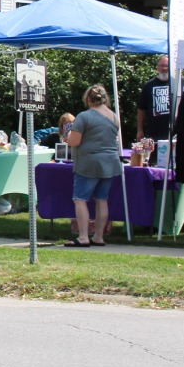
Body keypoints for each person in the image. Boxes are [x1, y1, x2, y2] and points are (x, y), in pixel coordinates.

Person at [65, 85, 124, 247]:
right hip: (110, 163)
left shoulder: (84, 116)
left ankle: (83, 237)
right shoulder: (114, 117)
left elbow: (75, 141)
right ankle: (99, 236)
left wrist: (67, 137)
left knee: (79, 199)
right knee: (102, 199)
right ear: (105, 99)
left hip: (88, 163)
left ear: (88, 99)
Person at [136, 55, 184, 143]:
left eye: (167, 66)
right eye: (162, 65)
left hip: (177, 133)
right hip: (154, 134)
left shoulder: (181, 81)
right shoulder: (149, 85)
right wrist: (140, 130)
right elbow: (141, 109)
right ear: (157, 67)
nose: (164, 68)